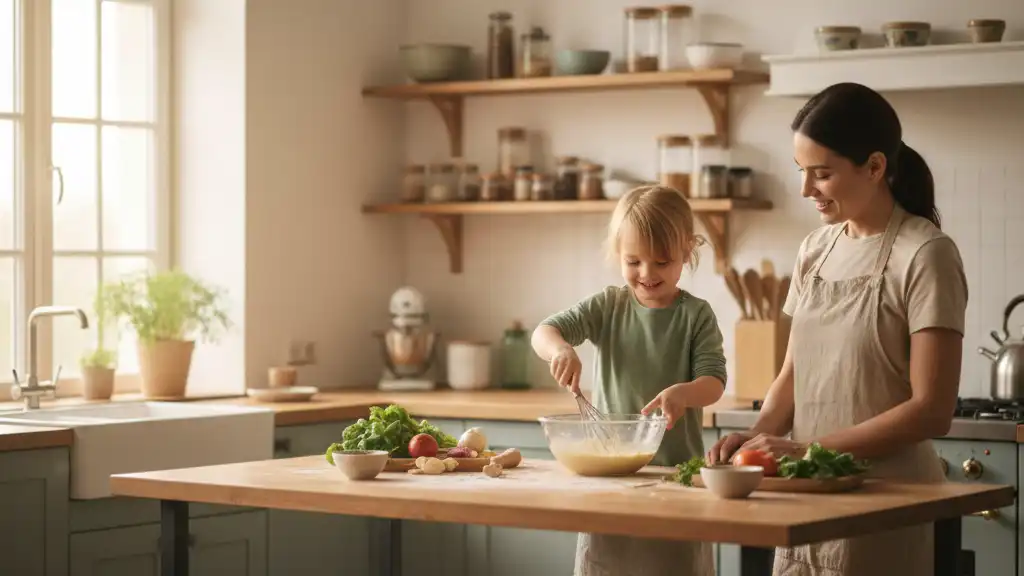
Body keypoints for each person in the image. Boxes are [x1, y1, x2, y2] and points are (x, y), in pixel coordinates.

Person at [709, 82, 967, 575]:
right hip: (806, 499)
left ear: (874, 167)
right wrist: (754, 439)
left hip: (889, 502)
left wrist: (807, 450)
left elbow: (932, 411)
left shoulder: (926, 254)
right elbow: (793, 376)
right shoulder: (814, 249)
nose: (806, 190)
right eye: (802, 172)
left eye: (821, 174)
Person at [532, 184, 727, 576]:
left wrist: (683, 393)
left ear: (687, 253)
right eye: (634, 261)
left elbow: (714, 382)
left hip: (674, 478)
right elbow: (545, 330)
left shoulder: (696, 315)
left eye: (662, 261)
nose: (647, 274)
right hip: (610, 479)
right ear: (618, 255)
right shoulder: (608, 305)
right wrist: (561, 351)